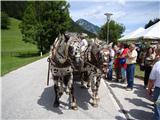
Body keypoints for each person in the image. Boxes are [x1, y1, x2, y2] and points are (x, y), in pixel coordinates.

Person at [147, 45, 160, 120]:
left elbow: (151, 80)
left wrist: (149, 89)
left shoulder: (158, 64)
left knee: (158, 106)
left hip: (158, 90)